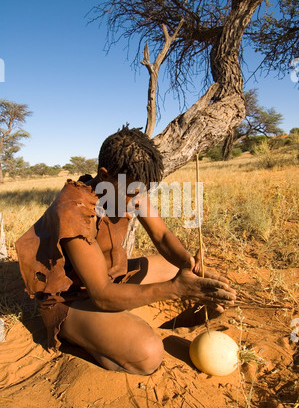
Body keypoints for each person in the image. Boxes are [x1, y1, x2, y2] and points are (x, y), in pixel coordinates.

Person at [16, 126, 236, 376]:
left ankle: (131, 324)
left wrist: (188, 263)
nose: (137, 201)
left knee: (178, 268)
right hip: (72, 298)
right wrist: (176, 289)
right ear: (105, 175)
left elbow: (162, 236)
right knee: (149, 354)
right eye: (132, 193)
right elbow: (101, 294)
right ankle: (82, 336)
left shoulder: (128, 187)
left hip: (110, 276)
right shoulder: (74, 211)